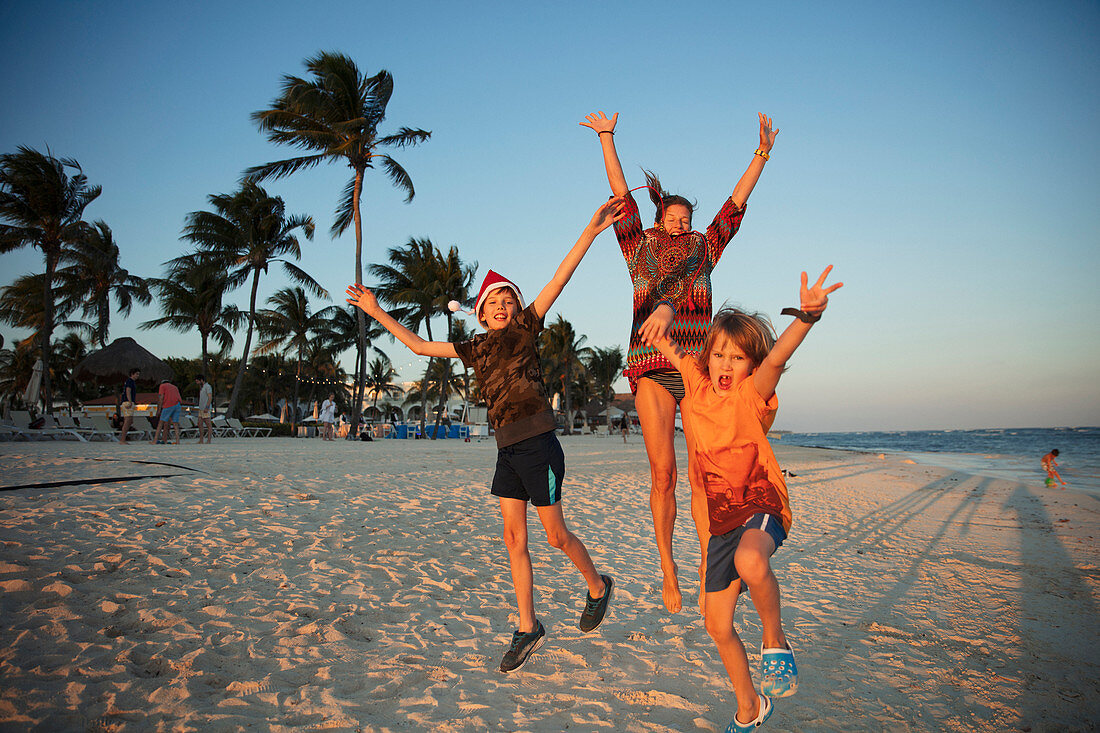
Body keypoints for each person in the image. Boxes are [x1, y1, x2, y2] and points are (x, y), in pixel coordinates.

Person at [346, 198, 623, 673]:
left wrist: (590, 233)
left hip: (539, 446)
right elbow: (416, 344)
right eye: (493, 302)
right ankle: (527, 627)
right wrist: (375, 310)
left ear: (517, 308)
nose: (501, 305)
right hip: (507, 451)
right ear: (480, 313)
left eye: (507, 299)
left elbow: (559, 279)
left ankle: (598, 587)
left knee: (554, 537)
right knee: (514, 539)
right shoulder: (473, 348)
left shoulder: (525, 330)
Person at [580, 110, 778, 614]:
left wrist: (761, 154)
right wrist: (607, 138)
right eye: (673, 218)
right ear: (658, 219)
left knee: (700, 473)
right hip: (650, 365)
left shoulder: (705, 250)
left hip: (698, 369)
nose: (681, 225)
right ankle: (667, 564)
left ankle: (708, 555)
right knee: (663, 472)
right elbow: (620, 195)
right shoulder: (638, 246)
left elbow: (736, 205)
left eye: (687, 219)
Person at [653, 266, 842, 731]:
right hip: (720, 523)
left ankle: (775, 641)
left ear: (750, 367)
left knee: (752, 562)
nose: (725, 365)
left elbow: (777, 359)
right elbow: (674, 350)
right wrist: (658, 325)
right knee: (716, 625)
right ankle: (750, 707)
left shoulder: (751, 396)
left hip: (760, 504)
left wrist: (807, 317)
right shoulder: (695, 389)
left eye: (737, 358)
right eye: (719, 354)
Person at [150, 379, 182, 445]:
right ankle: (178, 441)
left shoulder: (162, 386)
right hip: (177, 405)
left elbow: (161, 398)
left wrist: (158, 410)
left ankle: (155, 440)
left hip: (168, 405)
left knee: (160, 423)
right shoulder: (175, 387)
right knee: (175, 424)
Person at [119, 368, 140, 444]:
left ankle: (123, 438)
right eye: (136, 374)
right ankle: (122, 439)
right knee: (128, 421)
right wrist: (130, 401)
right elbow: (128, 390)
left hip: (129, 401)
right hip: (127, 401)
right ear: (132, 374)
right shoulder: (129, 381)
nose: (138, 376)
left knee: (130, 421)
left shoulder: (131, 382)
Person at [195, 374, 214, 444]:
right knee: (199, 423)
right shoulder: (201, 388)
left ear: (201, 380)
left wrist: (207, 407)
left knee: (208, 424)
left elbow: (210, 397)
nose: (197, 383)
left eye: (197, 381)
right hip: (201, 408)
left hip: (206, 408)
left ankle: (209, 440)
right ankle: (201, 439)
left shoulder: (207, 387)